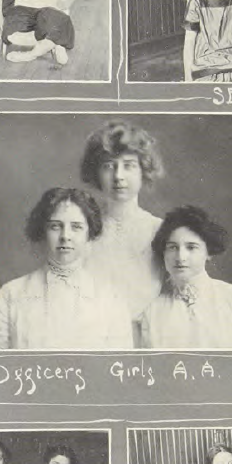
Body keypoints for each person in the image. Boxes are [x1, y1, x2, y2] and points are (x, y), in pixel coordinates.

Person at [0, 187, 133, 350]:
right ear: (43, 232)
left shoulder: (112, 301)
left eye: (76, 227)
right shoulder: (8, 296)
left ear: (89, 234)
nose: (65, 236)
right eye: (55, 226)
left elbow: (119, 369)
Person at [139, 205, 232, 349]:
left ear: (208, 253)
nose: (180, 257)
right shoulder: (153, 311)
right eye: (172, 247)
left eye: (191, 247)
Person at [80, 121, 164, 322]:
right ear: (96, 173)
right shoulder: (81, 229)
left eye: (129, 166)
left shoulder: (160, 230)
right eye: (109, 166)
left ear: (143, 171)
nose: (118, 176)